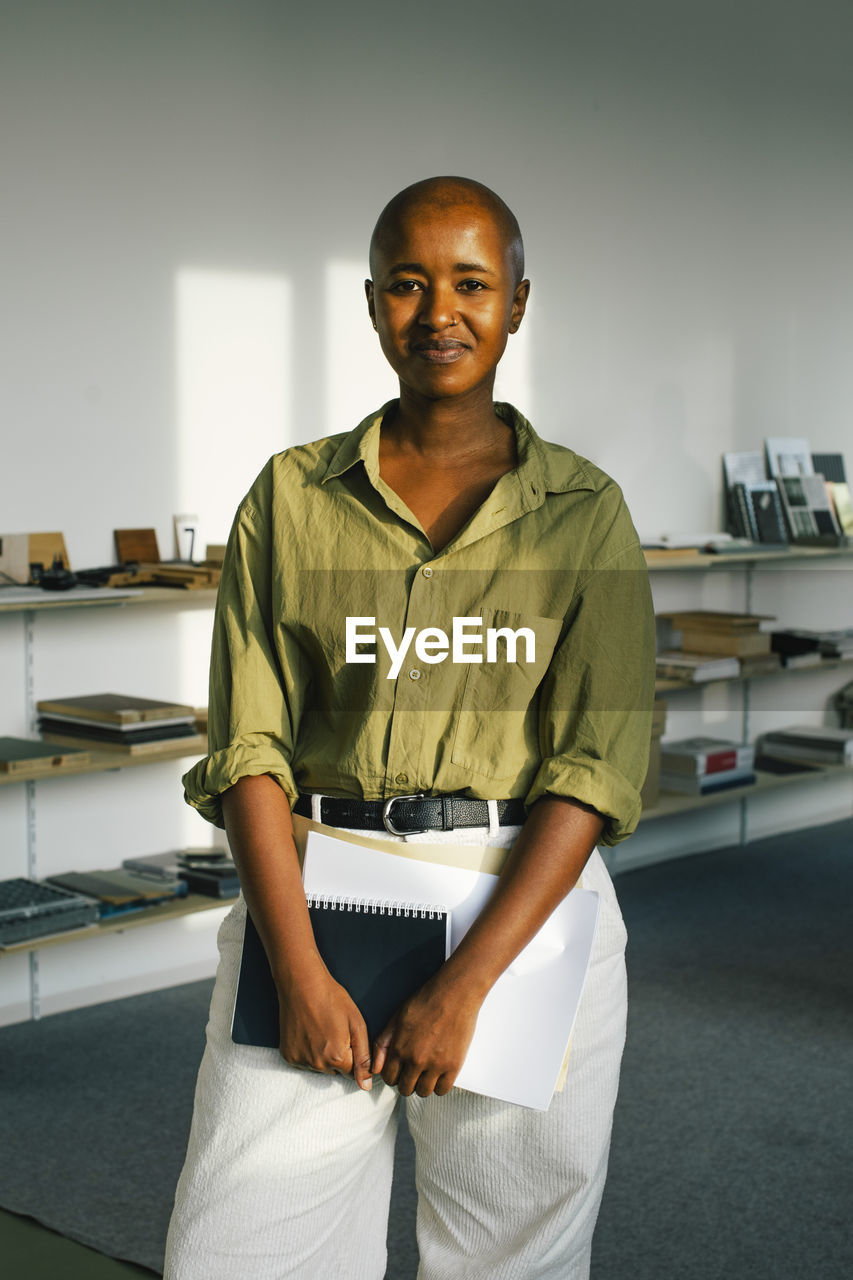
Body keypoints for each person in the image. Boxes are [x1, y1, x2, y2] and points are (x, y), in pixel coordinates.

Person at [164, 176, 655, 1279]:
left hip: (522, 906)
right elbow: (250, 744)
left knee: (511, 1255)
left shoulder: (586, 511)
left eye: (472, 283)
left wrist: (466, 981)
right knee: (238, 1251)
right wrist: (295, 969)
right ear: (373, 302)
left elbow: (593, 764)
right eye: (408, 282)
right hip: (319, 894)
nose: (439, 310)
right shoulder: (289, 497)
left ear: (519, 302)